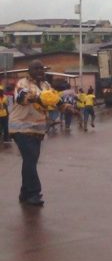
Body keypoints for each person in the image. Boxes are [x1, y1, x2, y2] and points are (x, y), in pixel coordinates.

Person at [9, 60, 72, 206]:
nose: (39, 71)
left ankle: (25, 192)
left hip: (37, 129)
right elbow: (21, 98)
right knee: (30, 158)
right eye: (36, 68)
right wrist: (39, 97)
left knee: (30, 160)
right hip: (21, 127)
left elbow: (56, 101)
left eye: (41, 69)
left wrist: (67, 107)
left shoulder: (45, 86)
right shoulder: (22, 83)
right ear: (29, 71)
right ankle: (33, 193)